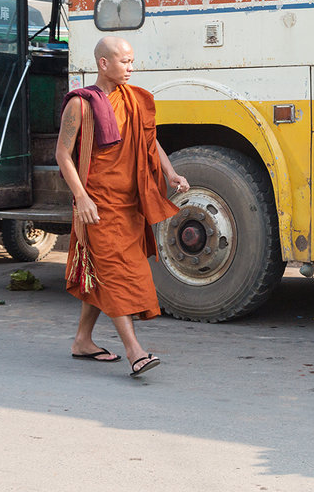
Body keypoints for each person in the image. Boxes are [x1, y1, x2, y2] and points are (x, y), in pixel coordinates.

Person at [56, 36, 189, 377]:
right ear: (104, 63)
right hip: (97, 204)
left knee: (105, 272)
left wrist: (170, 172)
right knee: (116, 274)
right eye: (125, 62)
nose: (131, 67)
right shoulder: (82, 104)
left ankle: (83, 340)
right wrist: (81, 197)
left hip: (130, 203)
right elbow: (62, 154)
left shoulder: (133, 99)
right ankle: (135, 351)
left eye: (132, 61)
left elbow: (148, 138)